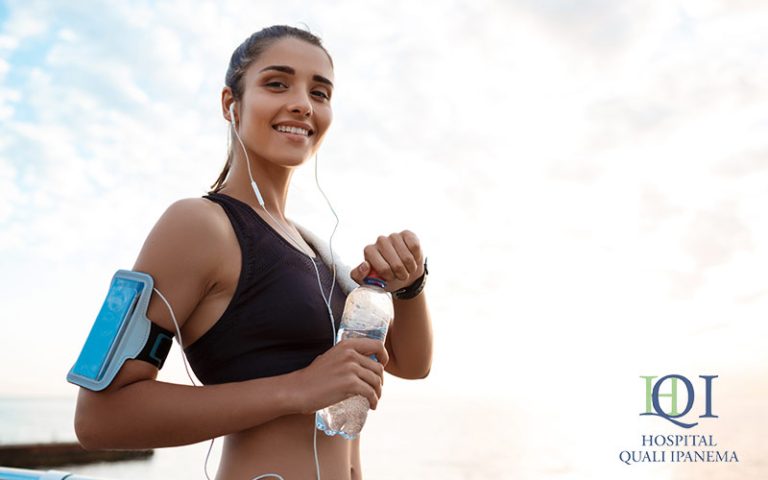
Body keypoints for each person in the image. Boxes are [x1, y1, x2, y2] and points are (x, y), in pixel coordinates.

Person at [74, 25, 433, 480]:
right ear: (231, 104)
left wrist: (411, 285)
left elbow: (411, 364)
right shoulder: (198, 225)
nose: (303, 102)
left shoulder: (314, 249)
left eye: (320, 92)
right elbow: (97, 419)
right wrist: (298, 389)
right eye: (277, 83)